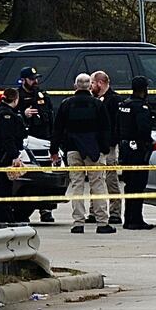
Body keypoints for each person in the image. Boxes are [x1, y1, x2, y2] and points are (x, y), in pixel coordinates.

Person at [52, 73, 116, 234]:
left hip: (73, 149)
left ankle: (78, 222)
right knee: (98, 185)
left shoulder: (66, 104)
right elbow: (106, 129)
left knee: (77, 186)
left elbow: (57, 129)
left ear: (75, 86)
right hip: (94, 150)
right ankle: (102, 223)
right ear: (89, 86)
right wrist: (104, 149)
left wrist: (54, 151)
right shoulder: (97, 105)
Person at [17, 67, 55, 222]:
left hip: (43, 139)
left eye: (36, 78)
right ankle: (21, 211)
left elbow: (50, 115)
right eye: (32, 79)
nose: (35, 81)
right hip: (27, 141)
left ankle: (46, 209)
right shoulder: (17, 96)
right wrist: (23, 115)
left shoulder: (42, 95)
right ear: (24, 79)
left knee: (46, 177)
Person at [117, 77, 156, 230]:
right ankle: (136, 220)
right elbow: (144, 130)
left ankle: (128, 219)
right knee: (138, 185)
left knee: (129, 185)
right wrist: (149, 143)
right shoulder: (141, 107)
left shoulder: (124, 105)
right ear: (144, 89)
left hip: (125, 149)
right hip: (138, 150)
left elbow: (117, 127)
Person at [91, 71, 125, 225]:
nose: (91, 86)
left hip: (110, 146)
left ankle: (115, 212)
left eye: (92, 83)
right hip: (96, 146)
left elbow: (117, 125)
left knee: (111, 180)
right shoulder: (94, 100)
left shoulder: (115, 100)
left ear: (100, 83)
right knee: (95, 180)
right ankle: (94, 211)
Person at [0, 88, 28, 219]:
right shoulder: (7, 114)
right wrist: (14, 156)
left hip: (0, 151)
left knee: (5, 184)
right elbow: (8, 138)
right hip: (4, 154)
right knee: (4, 186)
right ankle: (3, 216)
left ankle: (4, 214)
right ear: (16, 99)